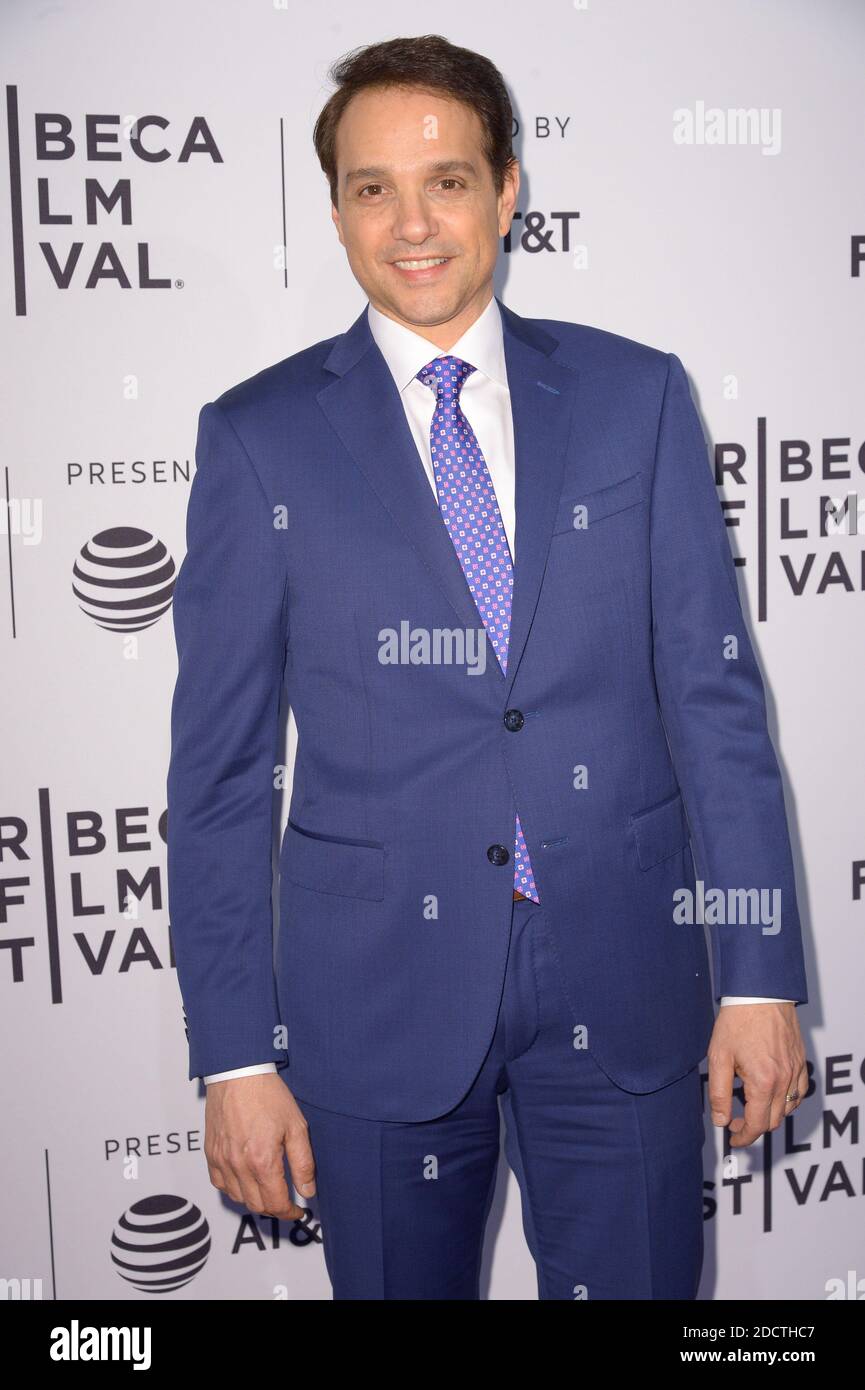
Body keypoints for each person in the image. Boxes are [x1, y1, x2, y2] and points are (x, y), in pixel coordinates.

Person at [166, 34, 808, 1300]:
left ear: (508, 189)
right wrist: (236, 1058)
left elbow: (715, 705)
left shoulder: (638, 399)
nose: (412, 224)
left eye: (446, 181)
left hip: (623, 974)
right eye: (371, 190)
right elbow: (224, 776)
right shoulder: (257, 440)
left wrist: (759, 973)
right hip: (372, 1004)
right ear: (338, 210)